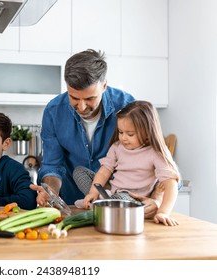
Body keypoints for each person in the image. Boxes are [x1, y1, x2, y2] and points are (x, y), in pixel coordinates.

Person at [34, 49, 139, 203]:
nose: (82, 107)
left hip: (117, 205)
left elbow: (157, 159)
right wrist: (51, 192)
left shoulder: (128, 107)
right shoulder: (54, 111)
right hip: (72, 203)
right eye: (74, 98)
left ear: (104, 86)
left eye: (90, 98)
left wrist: (157, 198)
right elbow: (52, 165)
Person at [77, 100, 180, 226]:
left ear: (148, 132)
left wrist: (163, 212)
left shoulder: (155, 153)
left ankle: (102, 204)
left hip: (132, 199)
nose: (123, 138)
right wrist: (93, 191)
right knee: (79, 172)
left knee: (121, 198)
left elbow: (171, 184)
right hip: (111, 191)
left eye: (130, 134)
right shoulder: (117, 147)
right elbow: (104, 172)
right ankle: (101, 201)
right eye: (120, 132)